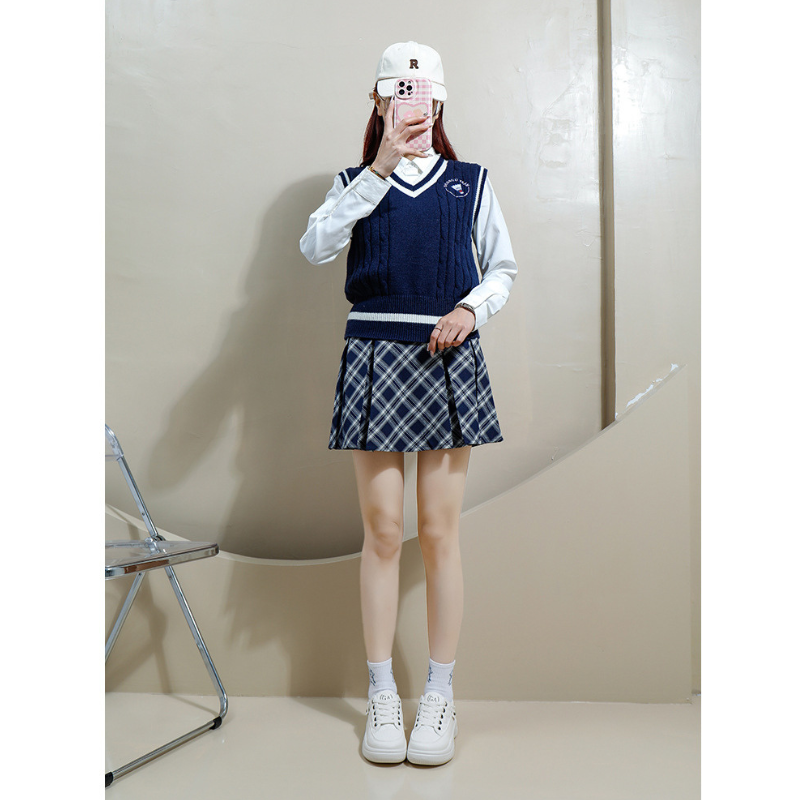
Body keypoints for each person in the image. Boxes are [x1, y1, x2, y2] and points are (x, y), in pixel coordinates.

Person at [299, 41, 518, 766]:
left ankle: (441, 695)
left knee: (439, 532)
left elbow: (504, 268)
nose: (411, 104)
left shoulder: (470, 183)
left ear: (439, 100)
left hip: (446, 357)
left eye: (421, 93)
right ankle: (382, 695)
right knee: (385, 532)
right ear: (379, 101)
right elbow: (315, 246)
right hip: (374, 354)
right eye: (397, 92)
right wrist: (379, 168)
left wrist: (472, 309)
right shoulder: (354, 182)